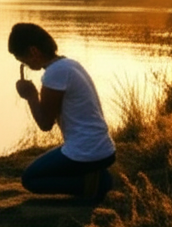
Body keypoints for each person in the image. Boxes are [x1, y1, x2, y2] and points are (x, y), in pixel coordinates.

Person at [9, 22, 116, 202]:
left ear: (34, 52)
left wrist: (31, 96)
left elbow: (45, 124)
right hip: (104, 149)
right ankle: (95, 177)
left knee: (30, 179)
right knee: (45, 167)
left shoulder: (54, 74)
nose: (24, 65)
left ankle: (96, 185)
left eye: (23, 60)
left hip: (88, 151)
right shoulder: (69, 64)